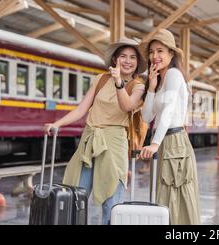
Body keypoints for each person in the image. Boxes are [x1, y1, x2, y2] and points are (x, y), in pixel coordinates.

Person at [44, 37, 147, 225]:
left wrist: (118, 82)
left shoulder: (137, 85)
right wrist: (57, 124)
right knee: (77, 195)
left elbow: (127, 106)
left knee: (111, 200)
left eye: (133, 57)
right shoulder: (100, 79)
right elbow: (82, 109)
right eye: (123, 56)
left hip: (114, 143)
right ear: (115, 59)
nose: (128, 61)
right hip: (90, 140)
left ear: (137, 62)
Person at [139, 29, 200, 225]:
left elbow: (169, 111)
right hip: (164, 142)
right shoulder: (159, 81)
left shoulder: (174, 74)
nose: (154, 56)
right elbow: (147, 116)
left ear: (171, 54)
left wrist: (154, 144)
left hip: (174, 141)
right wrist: (150, 87)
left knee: (176, 198)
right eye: (151, 52)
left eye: (160, 51)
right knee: (163, 196)